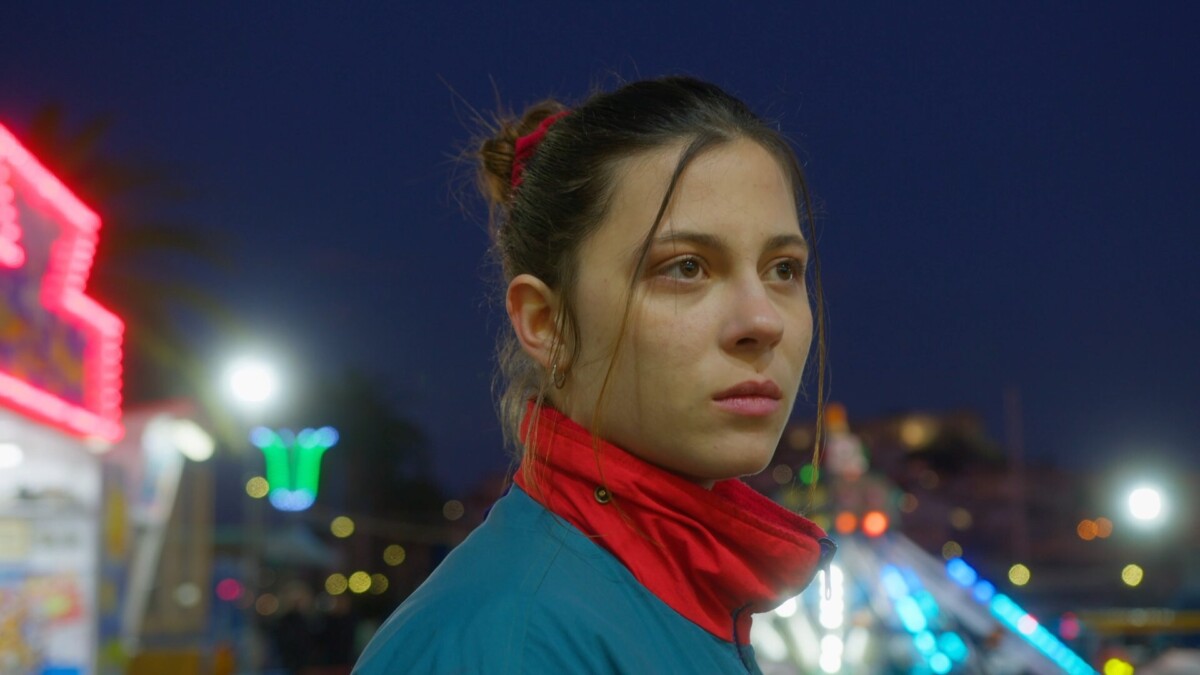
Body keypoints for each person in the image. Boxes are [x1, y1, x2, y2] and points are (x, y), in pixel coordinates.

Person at [353, 76, 836, 674]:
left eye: (783, 269)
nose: (763, 321)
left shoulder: (673, 598)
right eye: (686, 267)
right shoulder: (513, 645)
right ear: (546, 322)